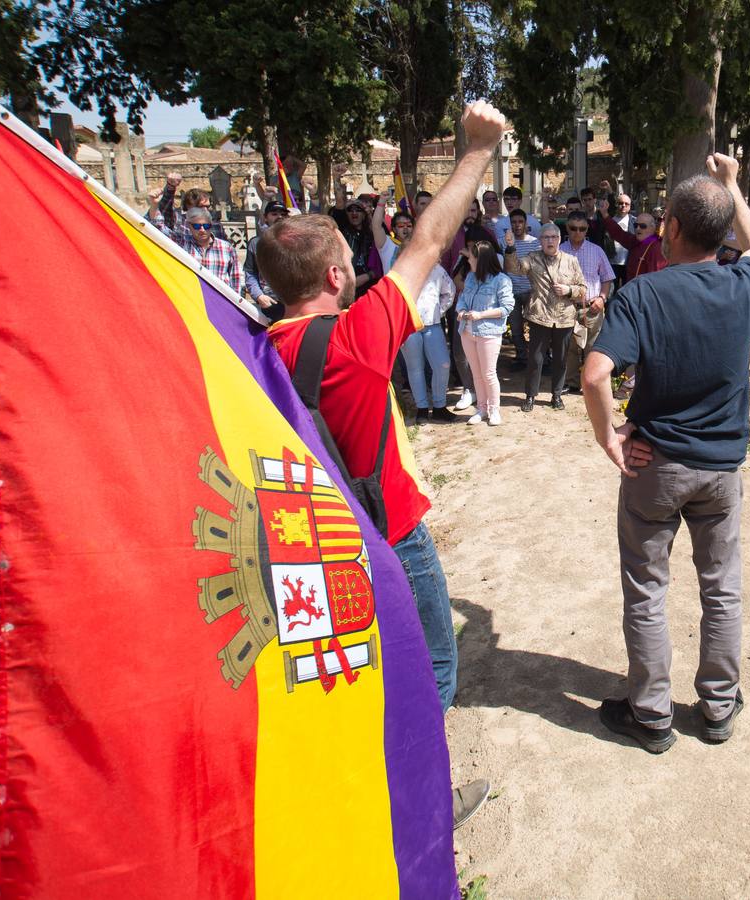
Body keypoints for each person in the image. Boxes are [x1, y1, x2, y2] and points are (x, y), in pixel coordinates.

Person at [255, 100, 508, 827]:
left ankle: (356, 787)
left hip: (307, 547)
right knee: (430, 671)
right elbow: (429, 239)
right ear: (336, 278)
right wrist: (477, 150)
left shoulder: (251, 351)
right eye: (346, 265)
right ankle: (414, 808)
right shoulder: (357, 340)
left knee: (346, 676)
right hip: (388, 536)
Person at [581, 152, 750, 754]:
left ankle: (652, 714)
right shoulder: (744, 284)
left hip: (654, 468)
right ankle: (717, 707)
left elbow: (594, 375)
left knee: (648, 589)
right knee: (722, 588)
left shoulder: (642, 294)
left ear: (672, 228)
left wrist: (610, 437)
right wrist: (734, 186)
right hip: (721, 472)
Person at [504, 222, 586, 411]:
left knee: (561, 359)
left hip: (564, 318)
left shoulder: (571, 260)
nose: (550, 240)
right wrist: (510, 247)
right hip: (539, 316)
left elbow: (583, 289)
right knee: (536, 359)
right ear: (540, 240)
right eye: (546, 237)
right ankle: (530, 396)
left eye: (553, 237)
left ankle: (556, 395)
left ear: (559, 239)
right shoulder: (533, 258)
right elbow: (513, 267)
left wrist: (568, 290)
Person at [455, 240, 515, 426]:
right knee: (476, 373)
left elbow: (507, 307)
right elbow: (462, 299)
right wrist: (461, 312)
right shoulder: (471, 277)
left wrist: (480, 315)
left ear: (480, 259)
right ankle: (481, 409)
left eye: (471, 257)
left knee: (489, 373)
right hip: (467, 330)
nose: (468, 261)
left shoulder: (501, 280)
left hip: (489, 332)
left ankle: (494, 410)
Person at [399, 253, 458, 425]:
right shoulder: (400, 273)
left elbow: (450, 291)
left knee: (442, 364)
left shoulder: (437, 270)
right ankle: (422, 408)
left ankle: (439, 406)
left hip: (433, 325)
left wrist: (438, 311)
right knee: (415, 368)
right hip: (410, 327)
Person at [560, 211, 615, 392]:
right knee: (570, 348)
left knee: (593, 347)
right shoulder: (560, 250)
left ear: (587, 230)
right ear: (567, 228)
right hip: (567, 307)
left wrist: (602, 298)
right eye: (573, 228)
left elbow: (607, 278)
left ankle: (589, 384)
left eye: (582, 229)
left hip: (592, 307)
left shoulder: (596, 250)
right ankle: (572, 382)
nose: (577, 232)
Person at [149, 201, 242, 296]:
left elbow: (236, 277)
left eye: (206, 226)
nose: (202, 230)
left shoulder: (226, 248)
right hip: (192, 299)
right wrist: (154, 205)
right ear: (189, 226)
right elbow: (159, 227)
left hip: (220, 301)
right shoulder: (182, 243)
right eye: (197, 226)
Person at [502, 209, 541, 370]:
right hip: (512, 292)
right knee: (516, 328)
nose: (517, 225)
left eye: (520, 222)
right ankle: (521, 357)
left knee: (536, 328)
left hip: (531, 291)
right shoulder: (503, 241)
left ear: (526, 223)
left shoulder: (535, 243)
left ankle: (538, 359)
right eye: (513, 222)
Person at [244, 201, 290, 320]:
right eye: (274, 214)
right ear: (265, 218)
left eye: (283, 214)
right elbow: (250, 273)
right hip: (269, 302)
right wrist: (259, 296)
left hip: (293, 303)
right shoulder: (256, 244)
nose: (279, 217)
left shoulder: (296, 243)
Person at [331, 198, 383, 296]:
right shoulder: (343, 233)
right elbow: (337, 214)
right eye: (350, 210)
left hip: (371, 285)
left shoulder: (372, 235)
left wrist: (370, 275)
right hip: (348, 284)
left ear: (363, 215)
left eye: (358, 210)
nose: (354, 213)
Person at [601, 209, 667, 283]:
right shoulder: (635, 241)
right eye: (636, 225)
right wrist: (605, 214)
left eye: (642, 226)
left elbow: (655, 280)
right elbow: (619, 233)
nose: (638, 228)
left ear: (652, 227)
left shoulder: (657, 248)